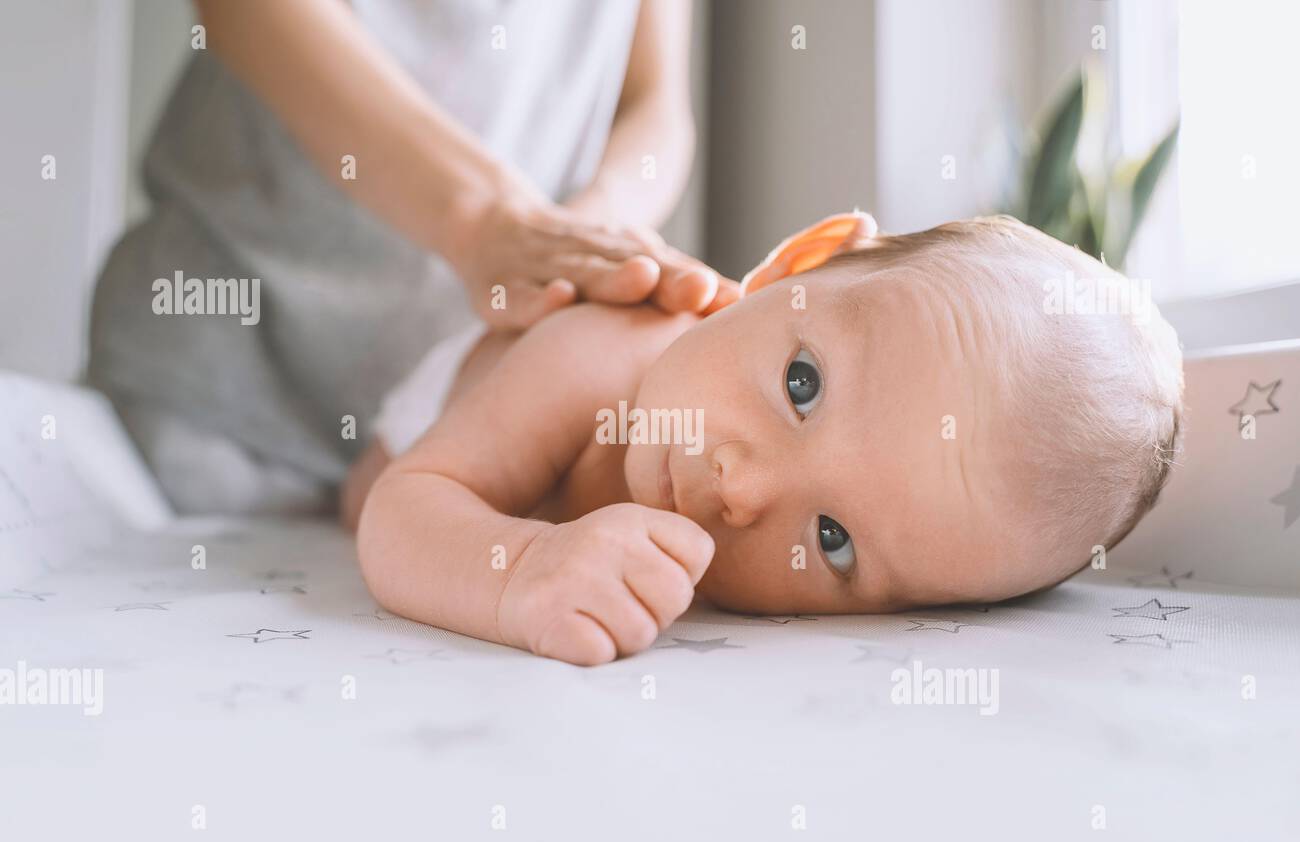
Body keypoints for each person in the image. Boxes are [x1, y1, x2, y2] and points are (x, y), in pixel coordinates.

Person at [350, 212, 1185, 665]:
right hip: (419, 421)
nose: (742, 490)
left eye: (834, 541)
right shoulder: (601, 350)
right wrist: (524, 570)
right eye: (801, 385)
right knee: (353, 497)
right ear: (797, 265)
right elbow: (404, 510)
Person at [87, 0, 730, 515]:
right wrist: (486, 219)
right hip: (211, 404)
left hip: (443, 433)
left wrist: (593, 231)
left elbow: (656, 103)